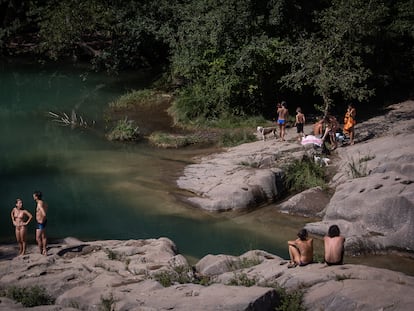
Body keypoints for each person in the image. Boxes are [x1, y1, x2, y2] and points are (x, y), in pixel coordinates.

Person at [33, 190, 48, 255]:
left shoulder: (39, 204)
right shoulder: (43, 202)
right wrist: (43, 220)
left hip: (40, 223)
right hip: (43, 222)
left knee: (38, 238)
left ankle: (41, 251)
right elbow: (46, 208)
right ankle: (45, 249)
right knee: (43, 236)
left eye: (34, 196)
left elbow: (44, 213)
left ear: (36, 197)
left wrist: (41, 220)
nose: (33, 197)